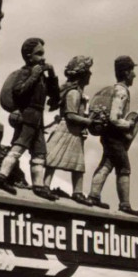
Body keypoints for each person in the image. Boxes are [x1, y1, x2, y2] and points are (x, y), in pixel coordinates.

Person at [75, 55, 138, 215]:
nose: (134, 75)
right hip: (115, 136)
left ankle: (94, 196)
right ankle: (125, 205)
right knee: (124, 168)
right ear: (126, 73)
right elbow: (114, 118)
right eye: (132, 71)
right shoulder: (121, 92)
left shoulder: (115, 89)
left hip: (107, 135)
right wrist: (129, 124)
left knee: (106, 164)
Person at [0, 37, 60, 196]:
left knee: (39, 153)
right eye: (38, 54)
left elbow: (54, 96)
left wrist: (52, 76)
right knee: (19, 147)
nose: (42, 57)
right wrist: (33, 76)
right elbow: (19, 91)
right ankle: (2, 176)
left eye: (42, 53)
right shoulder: (25, 72)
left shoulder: (43, 77)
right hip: (27, 116)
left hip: (38, 118)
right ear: (28, 56)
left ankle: (38, 186)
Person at [41, 55, 94, 200]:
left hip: (74, 132)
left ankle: (77, 192)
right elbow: (70, 115)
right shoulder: (74, 93)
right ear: (82, 75)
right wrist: (89, 121)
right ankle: (45, 185)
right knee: (53, 159)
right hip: (67, 130)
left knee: (78, 164)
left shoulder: (78, 93)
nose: (90, 74)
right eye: (88, 71)